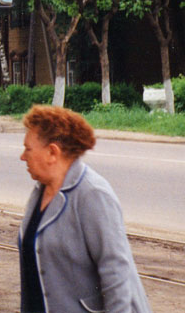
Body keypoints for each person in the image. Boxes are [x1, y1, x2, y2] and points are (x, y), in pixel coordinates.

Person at [18, 105, 151, 313]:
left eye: (28, 149)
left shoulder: (93, 194)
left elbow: (117, 274)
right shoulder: (40, 192)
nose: (22, 157)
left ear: (52, 152)